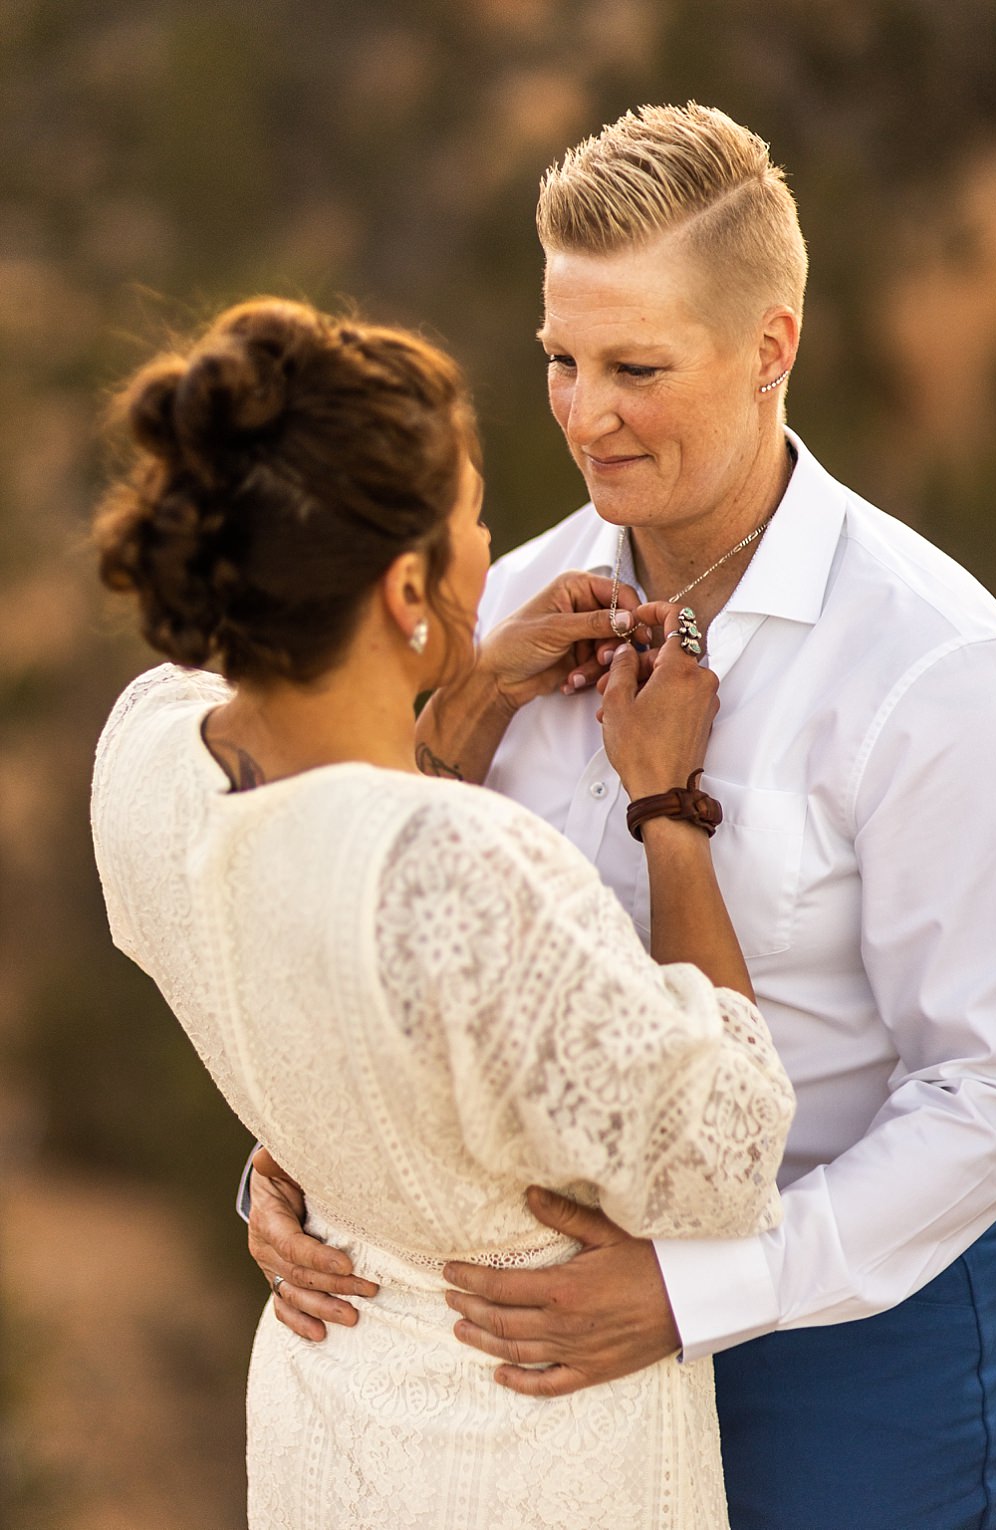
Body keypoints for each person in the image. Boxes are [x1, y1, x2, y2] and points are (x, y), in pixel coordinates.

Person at [241, 104, 996, 1529]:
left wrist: (691, 1290)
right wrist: (305, 1153)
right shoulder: (510, 608)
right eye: (560, 359)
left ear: (771, 346)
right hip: (563, 1354)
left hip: (850, 1340)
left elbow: (987, 1093)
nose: (585, 412)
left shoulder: (932, 666)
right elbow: (411, 942)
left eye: (636, 368)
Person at [90, 298, 795, 1529]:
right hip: (531, 1453)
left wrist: (464, 704)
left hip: (326, 1419)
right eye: (473, 516)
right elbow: (731, 1158)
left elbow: (323, 917)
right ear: (407, 583)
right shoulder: (476, 874)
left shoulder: (145, 754)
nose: (493, 543)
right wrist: (668, 803)